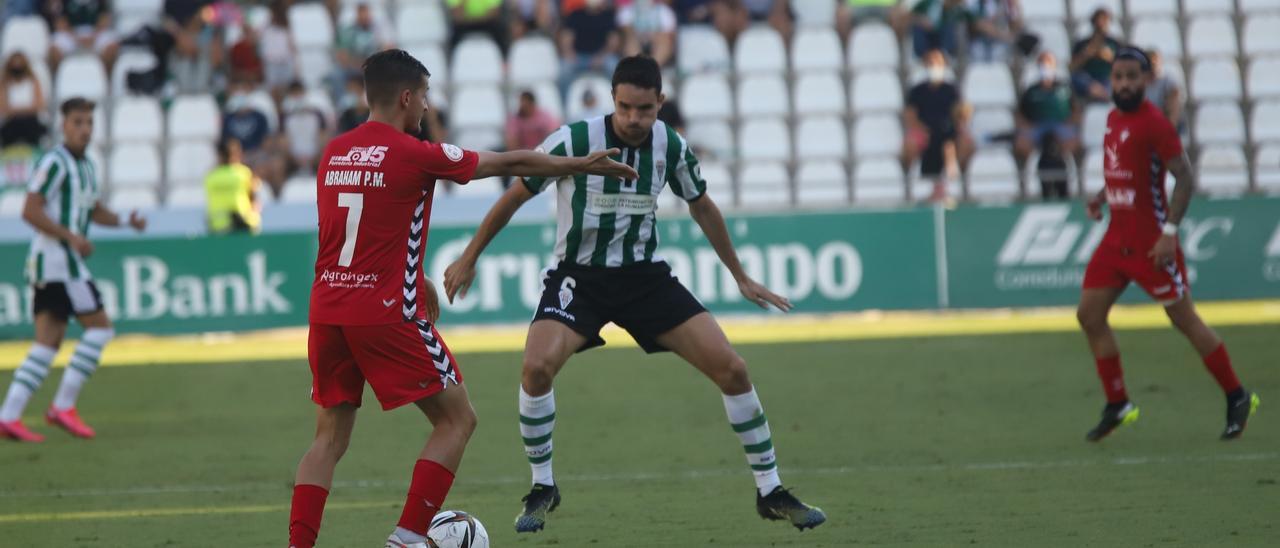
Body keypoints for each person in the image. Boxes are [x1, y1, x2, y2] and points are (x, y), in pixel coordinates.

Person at [442, 55, 827, 535]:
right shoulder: (574, 140)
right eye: (624, 107)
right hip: (579, 278)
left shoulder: (671, 145)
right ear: (612, 99)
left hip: (644, 279)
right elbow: (516, 195)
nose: (633, 118)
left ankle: (770, 490)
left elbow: (701, 205)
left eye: (644, 109)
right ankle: (543, 485)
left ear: (660, 102)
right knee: (535, 367)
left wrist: (740, 276)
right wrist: (470, 256)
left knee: (732, 368)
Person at [287, 49, 636, 548]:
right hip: (385, 312)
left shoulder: (335, 153)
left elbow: (349, 234)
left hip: (327, 310)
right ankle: (407, 538)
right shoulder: (415, 152)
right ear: (406, 98)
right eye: (424, 96)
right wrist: (579, 163)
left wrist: (416, 275)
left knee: (327, 440)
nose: (427, 107)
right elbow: (508, 161)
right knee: (457, 419)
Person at [1078, 48, 1259, 442]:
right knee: (1089, 315)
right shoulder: (1113, 119)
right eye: (1118, 77)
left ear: (1146, 80)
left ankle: (1237, 394)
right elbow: (1123, 171)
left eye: (1132, 76)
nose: (1124, 84)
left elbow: (1185, 177)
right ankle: (1118, 403)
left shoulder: (1155, 124)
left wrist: (1169, 232)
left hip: (1151, 243)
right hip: (1116, 239)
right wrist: (1101, 196)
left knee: (1184, 319)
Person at [0, 98, 147, 443]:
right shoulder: (55, 162)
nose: (85, 129)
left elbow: (93, 210)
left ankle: (8, 416)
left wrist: (125, 221)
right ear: (63, 126)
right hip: (58, 264)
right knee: (100, 330)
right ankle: (62, 406)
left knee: (47, 344)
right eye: (78, 122)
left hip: (57, 265)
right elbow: (30, 210)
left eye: (89, 123)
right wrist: (70, 237)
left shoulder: (87, 166)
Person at [903, 49, 973, 202]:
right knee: (911, 145)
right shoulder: (917, 90)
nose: (934, 67)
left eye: (938, 63)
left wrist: (958, 122)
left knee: (960, 144)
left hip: (947, 132)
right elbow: (910, 116)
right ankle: (911, 184)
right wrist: (923, 129)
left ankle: (953, 183)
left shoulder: (951, 89)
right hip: (924, 131)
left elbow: (960, 114)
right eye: (931, 63)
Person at [1015, 51, 1079, 200]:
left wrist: (1070, 123)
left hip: (1060, 125)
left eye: (1049, 64)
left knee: (1070, 142)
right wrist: (1027, 126)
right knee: (1022, 143)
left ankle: (1069, 182)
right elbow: (1020, 114)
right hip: (1037, 127)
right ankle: (1027, 184)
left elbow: (1076, 111)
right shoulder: (1031, 91)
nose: (1045, 68)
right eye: (1043, 64)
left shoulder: (1064, 88)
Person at [558, 0, 621, 94]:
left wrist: (601, 57)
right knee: (564, 66)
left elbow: (613, 41)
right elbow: (566, 37)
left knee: (612, 63)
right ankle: (564, 98)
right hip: (578, 57)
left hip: (600, 58)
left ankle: (614, 96)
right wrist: (570, 54)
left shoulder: (608, 15)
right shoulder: (575, 14)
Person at [205, 138, 261, 235]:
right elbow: (254, 200)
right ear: (236, 154)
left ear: (219, 155)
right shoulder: (244, 174)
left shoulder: (210, 177)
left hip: (217, 228)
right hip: (243, 226)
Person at [45, 0, 120, 69]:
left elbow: (105, 19)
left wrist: (93, 37)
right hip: (71, 33)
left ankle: (104, 74)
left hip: (95, 32)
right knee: (54, 48)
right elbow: (60, 22)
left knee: (112, 46)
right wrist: (75, 37)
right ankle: (60, 75)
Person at [1070, 8, 1120, 103]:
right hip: (1087, 78)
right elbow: (1072, 67)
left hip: (1107, 77)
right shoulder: (1082, 43)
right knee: (1076, 78)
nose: (1101, 24)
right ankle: (1099, 92)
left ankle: (1101, 93)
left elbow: (1123, 66)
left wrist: (1109, 57)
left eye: (1104, 21)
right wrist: (1086, 55)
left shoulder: (1115, 43)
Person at [0, 52, 47, 148]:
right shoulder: (5, 83)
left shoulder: (33, 82)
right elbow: (3, 108)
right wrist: (26, 109)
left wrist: (15, 110)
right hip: (11, 122)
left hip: (31, 121)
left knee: (33, 127)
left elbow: (39, 105)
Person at [617, 0, 677, 67]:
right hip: (636, 40)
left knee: (665, 41)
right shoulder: (628, 9)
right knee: (630, 40)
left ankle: (652, 68)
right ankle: (637, 68)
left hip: (655, 42)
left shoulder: (664, 10)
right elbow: (626, 30)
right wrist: (640, 36)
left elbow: (669, 34)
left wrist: (652, 36)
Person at [1144, 48, 1185, 136]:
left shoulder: (1168, 80)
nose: (1152, 66)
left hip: (1165, 125)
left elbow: (1174, 106)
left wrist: (1169, 129)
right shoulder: (1140, 83)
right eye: (1150, 63)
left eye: (1155, 62)